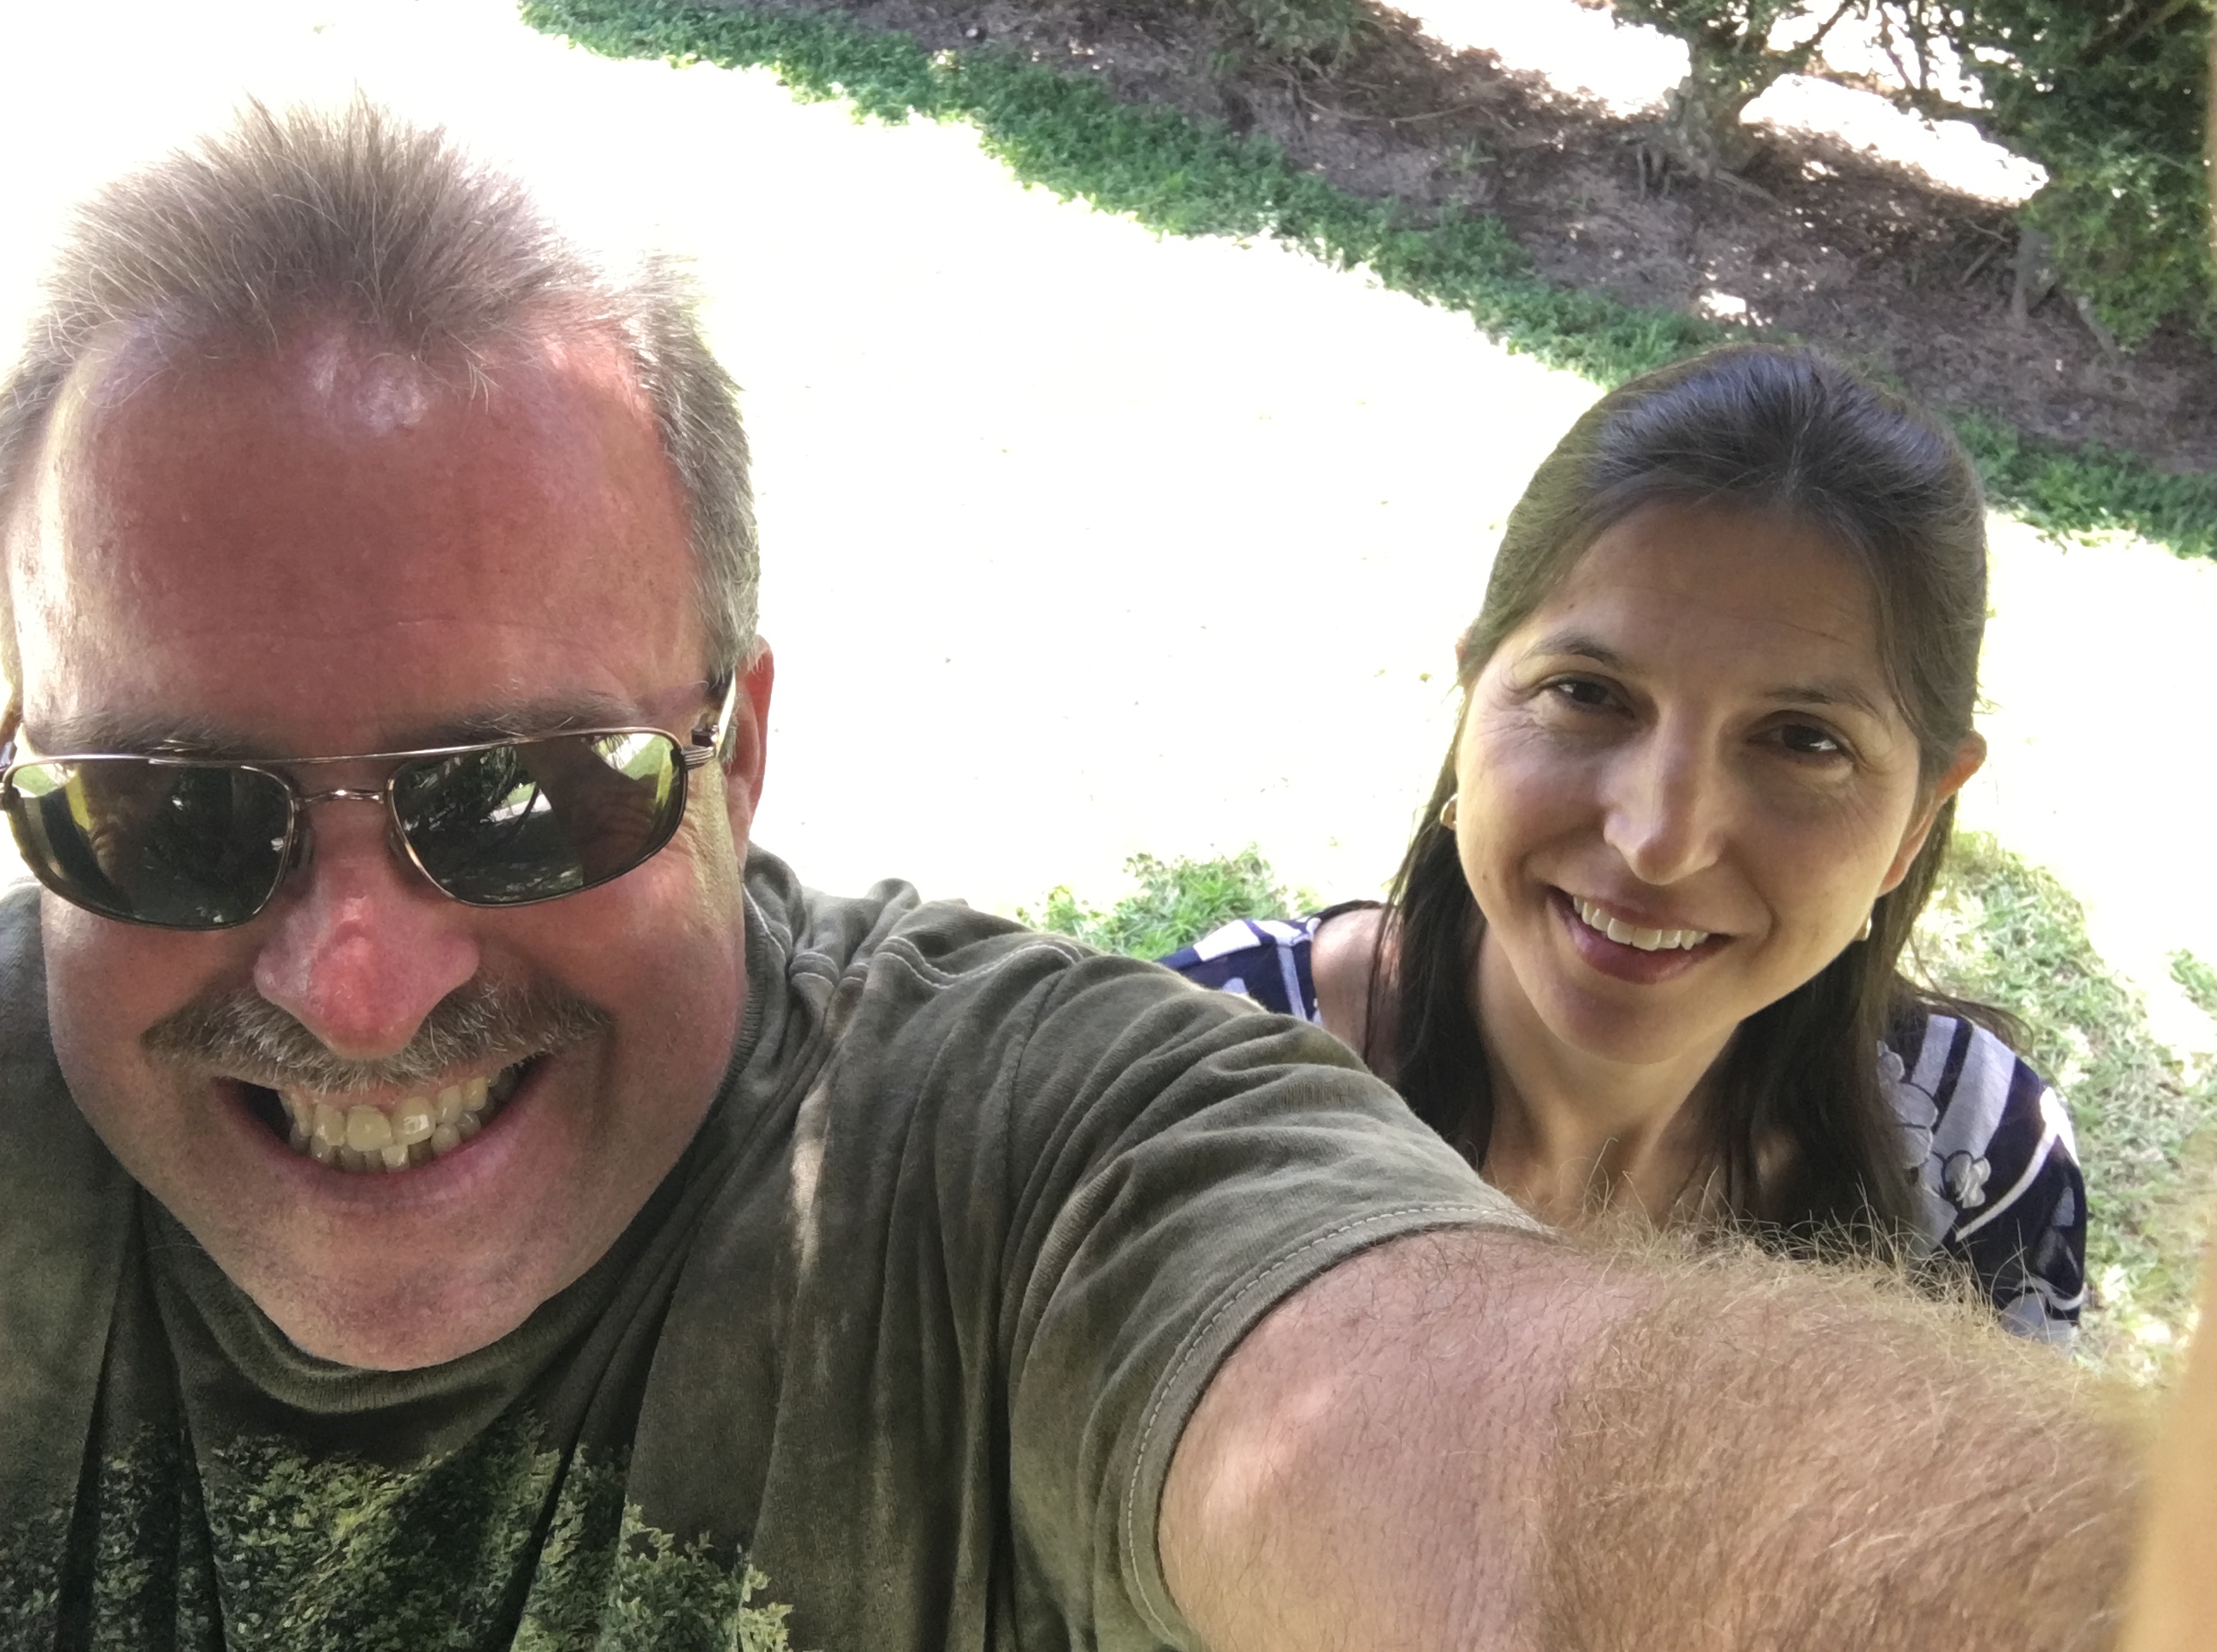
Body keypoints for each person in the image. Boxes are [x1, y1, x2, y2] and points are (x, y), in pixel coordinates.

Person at [0, 98, 2168, 1649]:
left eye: (526, 794)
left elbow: (1468, 1443)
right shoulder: (1265, 995)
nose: (359, 982)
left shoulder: (1045, 1162)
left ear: (741, 753)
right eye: (167, 809)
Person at [1163, 346, 2085, 1341]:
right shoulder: (1189, 1090)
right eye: (1586, 693)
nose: (1658, 843)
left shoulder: (1974, 1160)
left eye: (1801, 741)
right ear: (1472, 702)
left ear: (1914, 821)